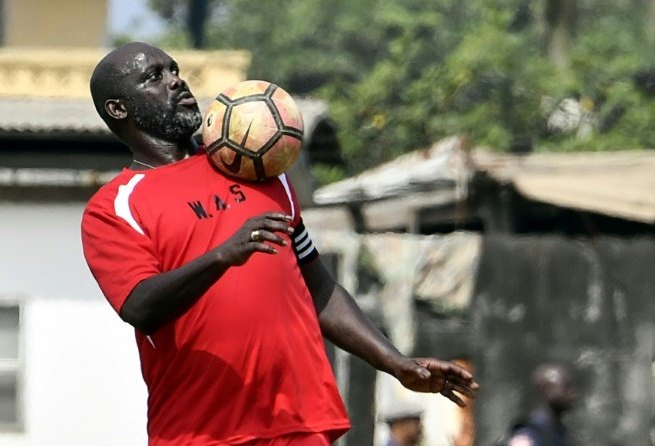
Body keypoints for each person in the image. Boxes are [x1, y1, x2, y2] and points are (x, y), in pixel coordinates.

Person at [80, 41, 478, 446]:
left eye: (174, 69)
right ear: (118, 108)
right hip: (202, 431)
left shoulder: (260, 167)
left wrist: (397, 363)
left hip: (301, 421)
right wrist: (222, 256)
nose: (176, 80)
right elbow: (140, 306)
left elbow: (318, 287)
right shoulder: (115, 207)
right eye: (155, 77)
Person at [501, 363, 576, 446]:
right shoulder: (528, 433)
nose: (571, 393)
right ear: (548, 390)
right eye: (566, 387)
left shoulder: (559, 432)